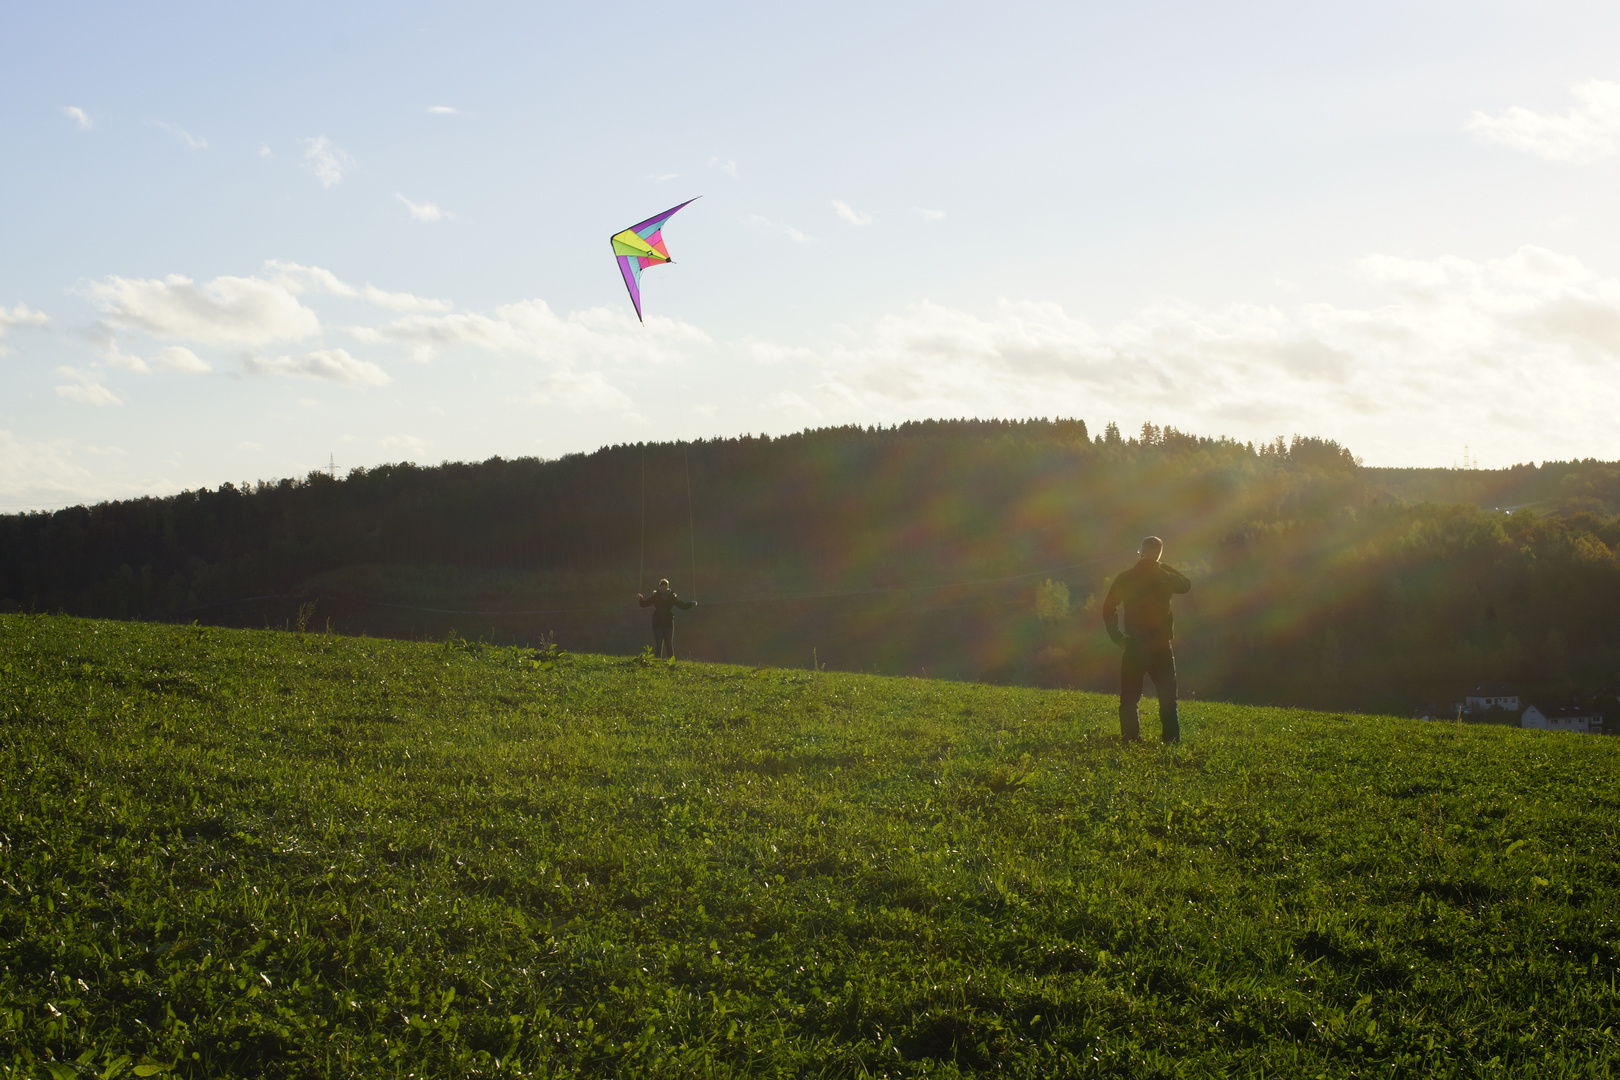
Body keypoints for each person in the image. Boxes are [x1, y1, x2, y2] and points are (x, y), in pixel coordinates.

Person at [1101, 536, 1191, 744]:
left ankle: (1131, 739)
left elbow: (1108, 607)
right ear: (1159, 553)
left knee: (1129, 698)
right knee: (1168, 698)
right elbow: (1186, 585)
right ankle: (1171, 741)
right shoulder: (1166, 577)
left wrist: (1117, 637)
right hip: (1161, 646)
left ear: (1141, 551)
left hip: (1134, 644)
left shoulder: (1126, 577)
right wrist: (1163, 565)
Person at [637, 578, 696, 660]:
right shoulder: (656, 596)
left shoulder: (672, 596)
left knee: (669, 643)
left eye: (665, 586)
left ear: (667, 587)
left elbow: (682, 606)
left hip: (668, 622)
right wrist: (641, 599)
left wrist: (691, 604)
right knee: (659, 643)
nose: (664, 588)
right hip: (657, 622)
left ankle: (671, 661)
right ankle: (657, 661)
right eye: (662, 586)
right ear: (660, 587)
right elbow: (645, 604)